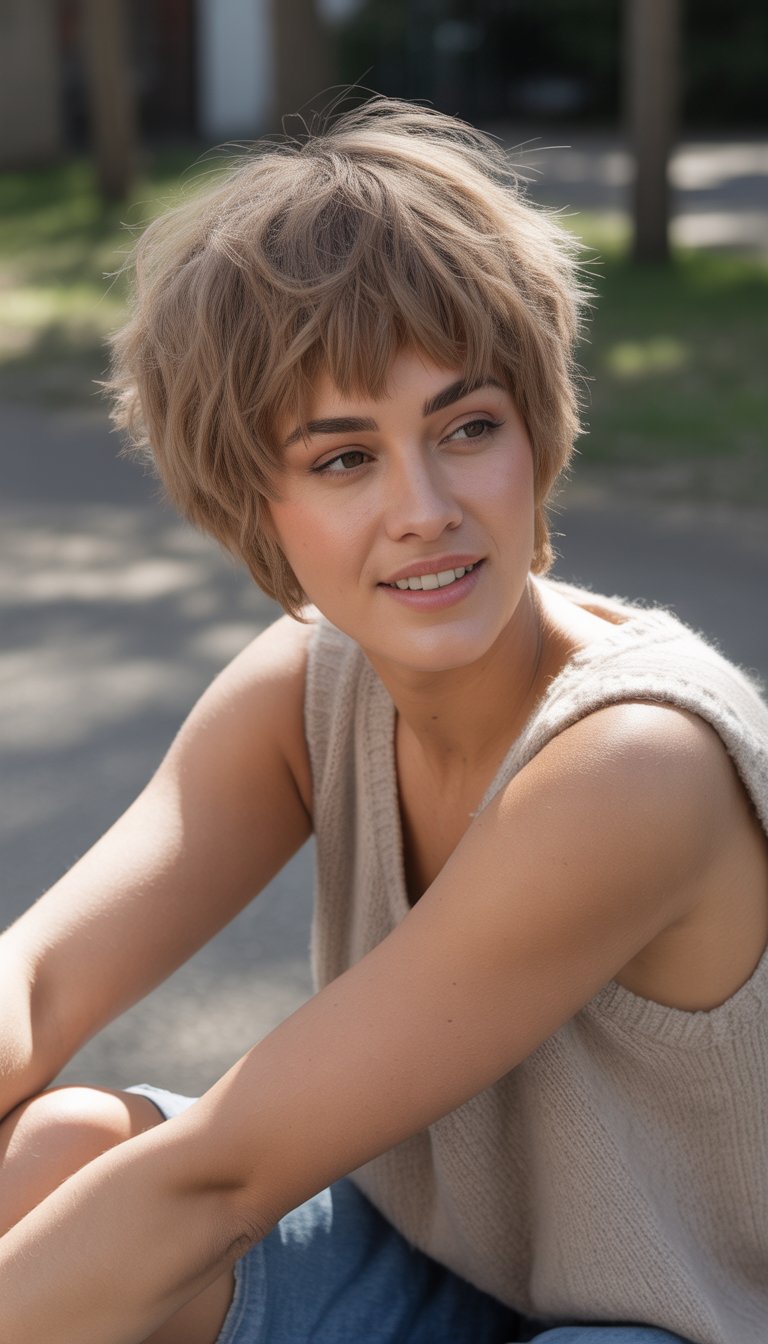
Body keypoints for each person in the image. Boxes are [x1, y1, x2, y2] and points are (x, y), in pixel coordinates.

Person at [0, 96, 766, 1344]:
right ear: (256, 501)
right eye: (344, 458)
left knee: (157, 1206)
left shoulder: (636, 759)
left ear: (536, 435)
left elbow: (221, 1179)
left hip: (675, 1325)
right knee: (59, 1152)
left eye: (468, 429)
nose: (426, 508)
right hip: (435, 1276)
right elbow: (34, 983)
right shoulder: (314, 683)